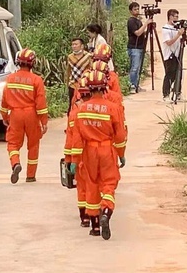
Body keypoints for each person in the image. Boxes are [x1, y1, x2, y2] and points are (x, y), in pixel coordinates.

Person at [71, 70, 127, 240]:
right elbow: (119, 135)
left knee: (92, 185)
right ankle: (106, 212)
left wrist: (75, 160)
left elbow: (77, 138)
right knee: (109, 183)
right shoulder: (113, 108)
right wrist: (121, 154)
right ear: (104, 88)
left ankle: (95, 227)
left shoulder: (81, 109)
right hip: (106, 149)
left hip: (89, 152)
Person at [0, 48, 49, 184]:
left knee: (13, 144)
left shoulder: (10, 79)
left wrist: (4, 116)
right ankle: (31, 175)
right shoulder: (36, 80)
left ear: (18, 62)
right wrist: (44, 121)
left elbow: (4, 101)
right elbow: (40, 103)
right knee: (33, 144)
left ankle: (15, 163)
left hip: (15, 114)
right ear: (32, 63)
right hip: (31, 114)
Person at [64, 73, 92, 228]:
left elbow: (71, 139)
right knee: (95, 185)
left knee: (81, 186)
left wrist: (70, 159)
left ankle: (85, 218)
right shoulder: (105, 109)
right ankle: (97, 215)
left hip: (80, 156)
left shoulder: (75, 113)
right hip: (100, 154)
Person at [127, 2, 151, 93]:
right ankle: (132, 85)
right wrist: (146, 24)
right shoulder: (131, 21)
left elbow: (142, 33)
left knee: (138, 68)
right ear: (130, 11)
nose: (137, 11)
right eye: (135, 9)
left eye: (138, 9)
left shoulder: (138, 21)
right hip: (134, 47)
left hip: (140, 47)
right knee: (135, 67)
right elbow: (137, 33)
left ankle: (136, 84)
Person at [161, 9, 184, 101]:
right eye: (175, 16)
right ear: (170, 17)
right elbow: (169, 42)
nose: (177, 18)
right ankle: (166, 94)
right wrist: (178, 34)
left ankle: (177, 93)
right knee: (169, 74)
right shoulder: (165, 28)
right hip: (169, 55)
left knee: (179, 74)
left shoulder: (176, 27)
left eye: (177, 16)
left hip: (178, 54)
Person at [65, 38, 92, 115]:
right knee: (72, 105)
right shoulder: (70, 57)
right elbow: (68, 71)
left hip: (85, 86)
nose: (74, 46)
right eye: (72, 44)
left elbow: (91, 68)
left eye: (76, 44)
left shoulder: (88, 56)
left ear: (82, 46)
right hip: (73, 85)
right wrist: (67, 82)